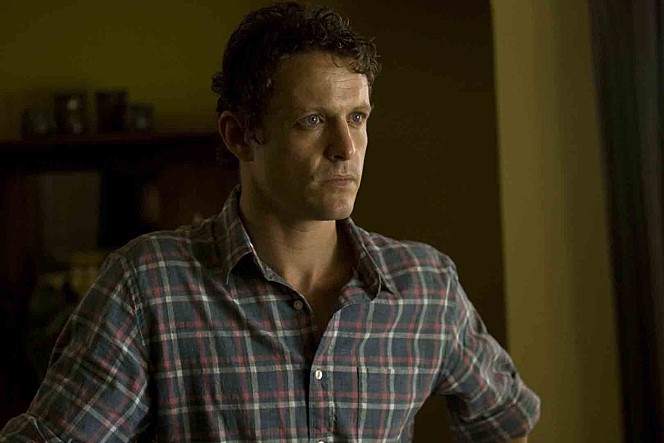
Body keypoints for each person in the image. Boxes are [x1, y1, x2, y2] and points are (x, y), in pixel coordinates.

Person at [0, 2, 540, 442]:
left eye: (357, 117)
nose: (345, 147)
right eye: (312, 120)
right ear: (240, 136)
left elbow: (505, 421)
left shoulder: (426, 286)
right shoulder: (148, 287)